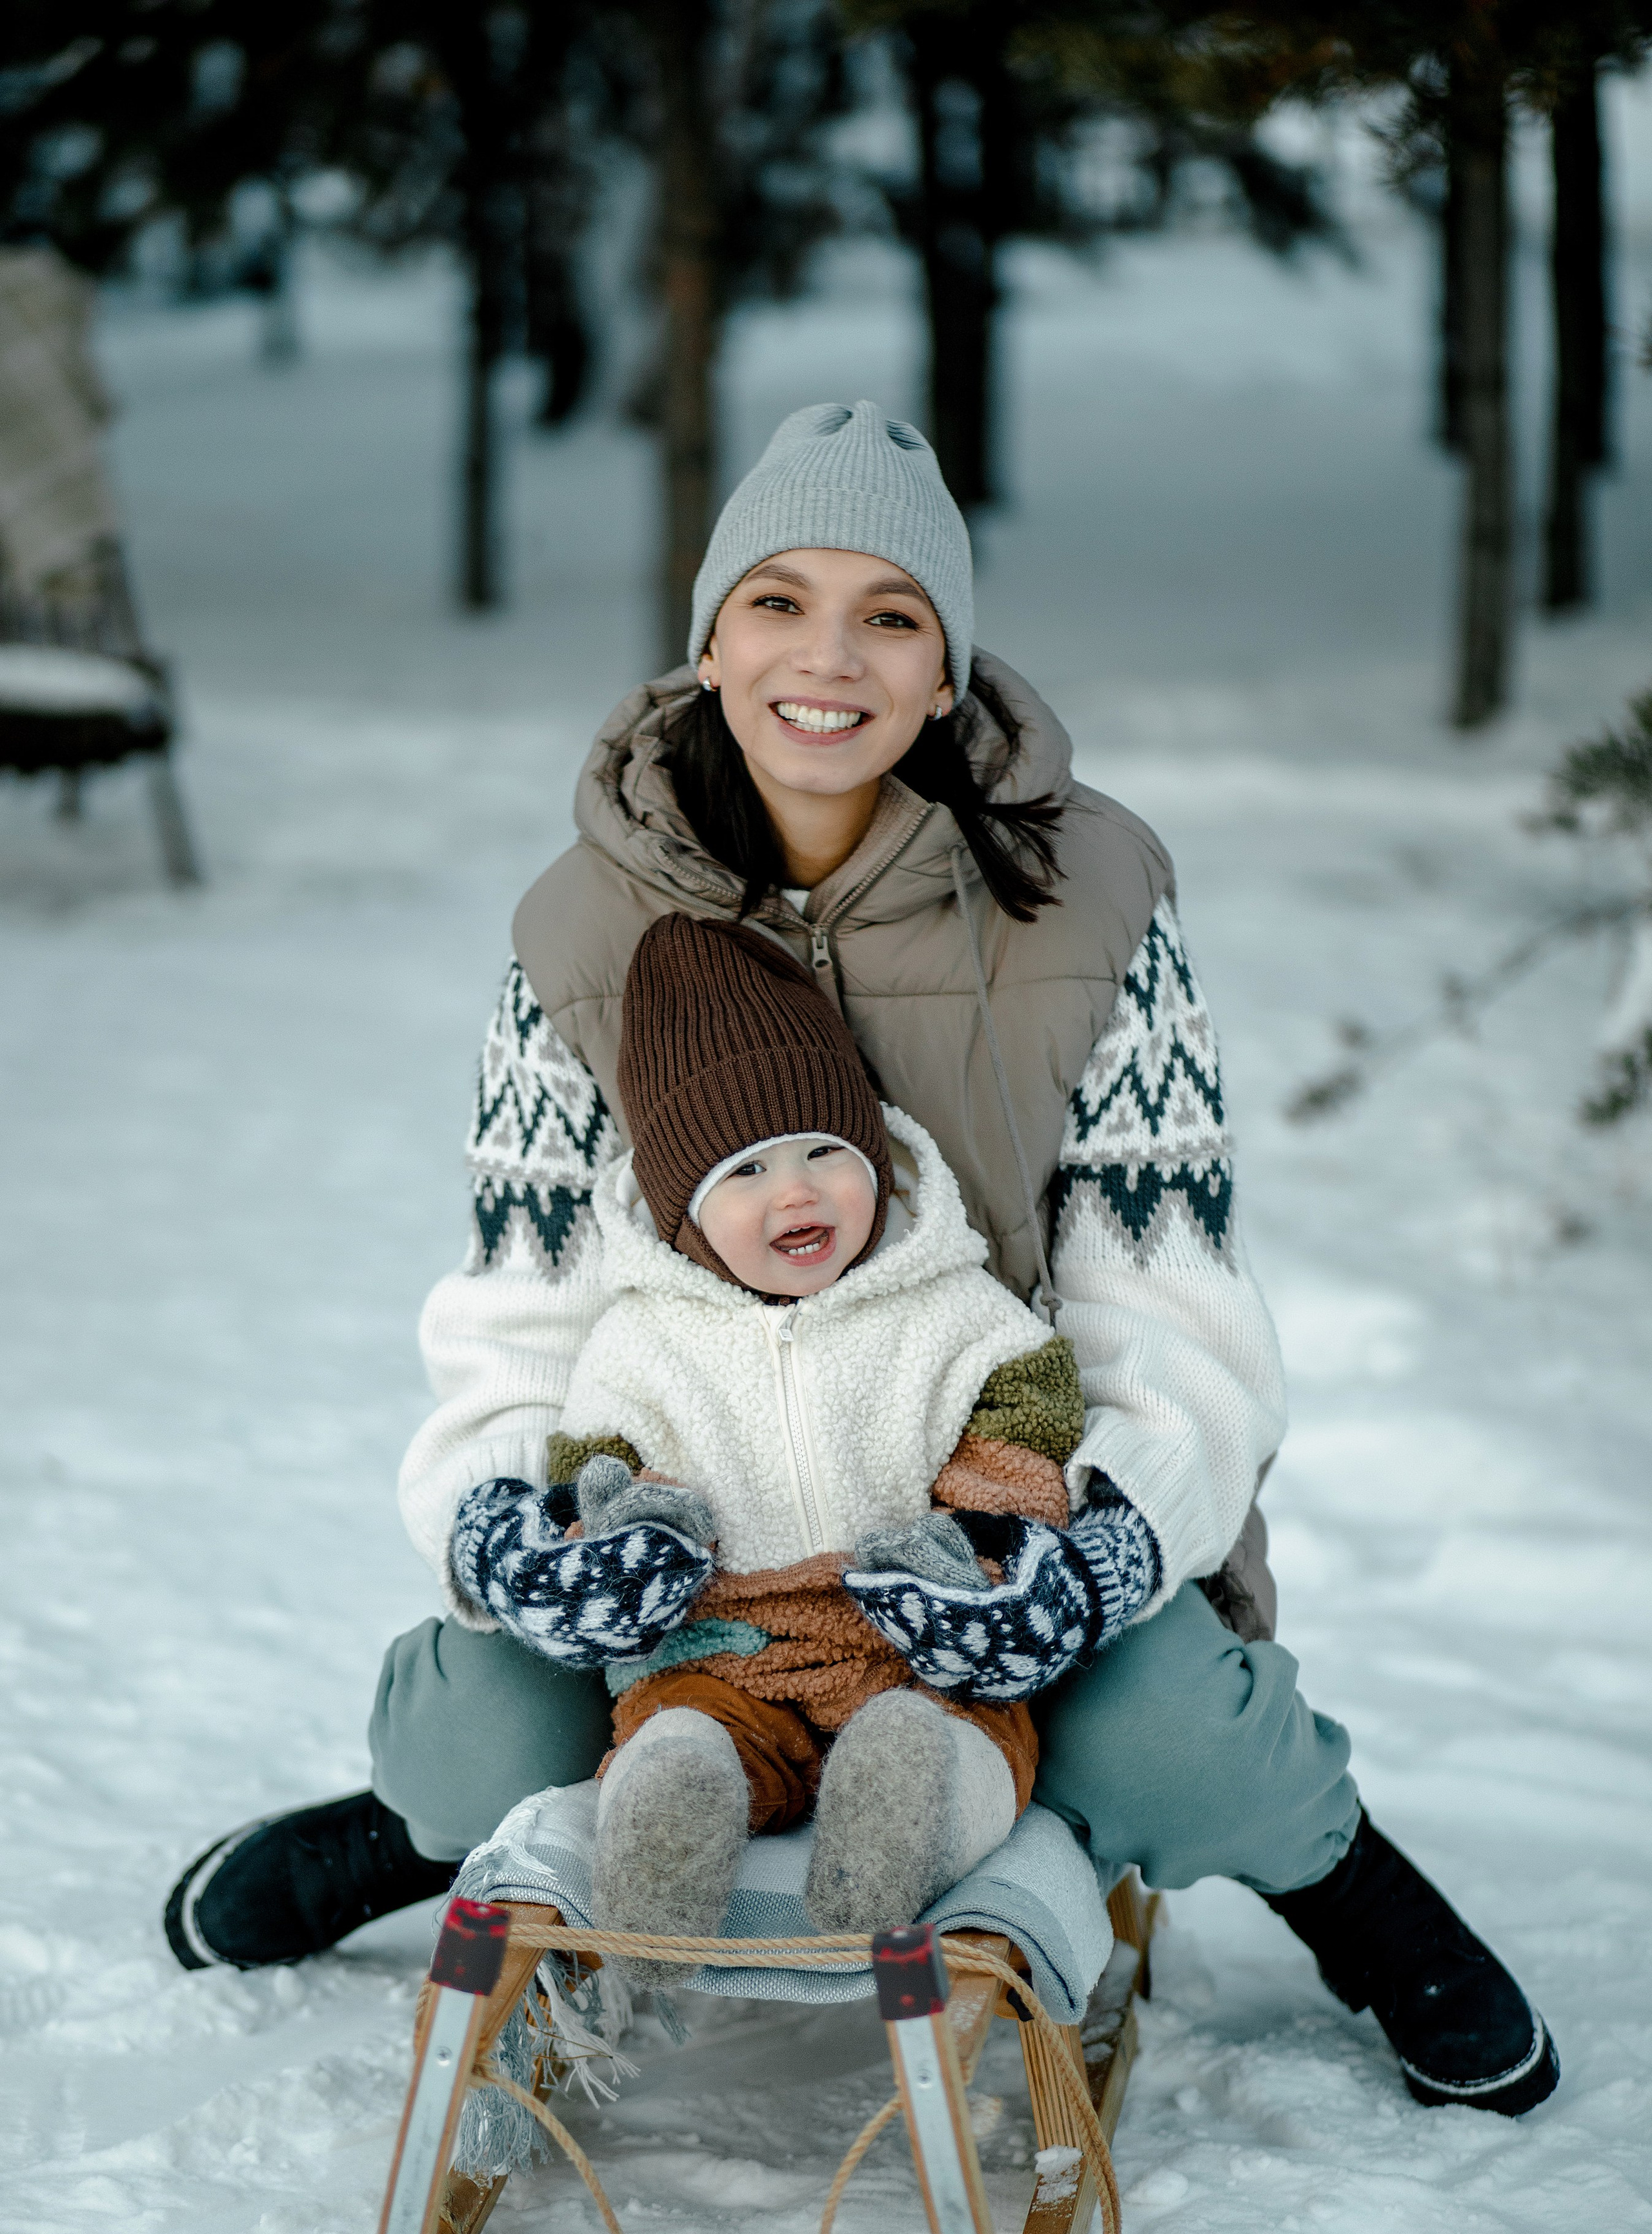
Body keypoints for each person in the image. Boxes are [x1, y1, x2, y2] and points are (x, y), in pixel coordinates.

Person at [165, 400, 1556, 2117]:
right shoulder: (578, 929)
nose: (827, 659)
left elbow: (1175, 1300)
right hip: (699, 1552)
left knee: (1175, 1736)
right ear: (708, 632)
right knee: (473, 1721)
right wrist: (515, 1523)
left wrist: (1097, 1542)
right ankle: (414, 1828)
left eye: (891, 613)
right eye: (777, 600)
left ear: (946, 663)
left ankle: (1343, 1877)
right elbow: (522, 1311)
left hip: (985, 1527)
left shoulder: (1091, 894)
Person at [468, 910, 1147, 1984]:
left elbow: (1021, 1433)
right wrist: (631, 1542)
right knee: (681, 1733)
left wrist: (977, 1558)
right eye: (743, 1173)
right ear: (684, 1212)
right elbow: (599, 1475)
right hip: (725, 1657)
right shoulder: (644, 1343)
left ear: (873, 1152)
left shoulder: (953, 1310)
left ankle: (908, 1817)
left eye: (827, 1151)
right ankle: (671, 1823)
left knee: (960, 1734)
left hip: (916, 1648)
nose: (795, 1191)